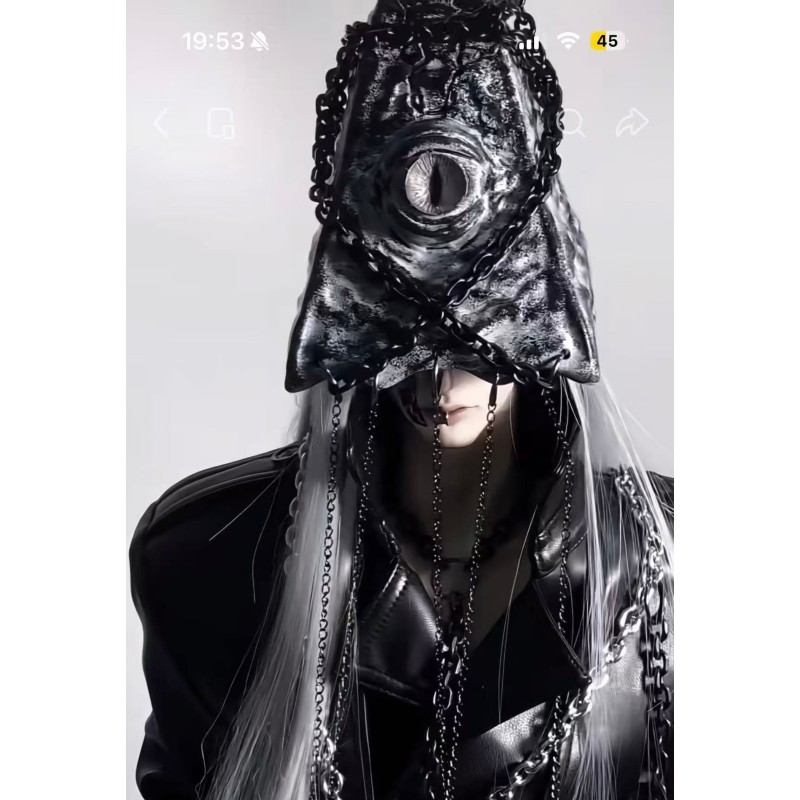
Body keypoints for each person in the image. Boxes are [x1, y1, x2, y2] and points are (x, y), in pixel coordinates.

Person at [130, 2, 674, 800]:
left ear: (543, 316)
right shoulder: (211, 560)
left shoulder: (662, 562)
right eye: (402, 337)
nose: (437, 379)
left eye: (471, 339)